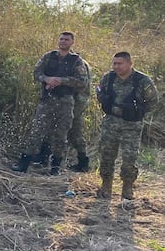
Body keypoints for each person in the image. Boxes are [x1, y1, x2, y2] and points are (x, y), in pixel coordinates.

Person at [11, 31, 88, 175]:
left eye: (66, 40)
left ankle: (55, 168)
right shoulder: (48, 57)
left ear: (72, 43)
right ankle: (23, 163)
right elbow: (36, 73)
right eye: (61, 39)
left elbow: (82, 82)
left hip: (65, 102)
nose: (63, 42)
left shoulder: (76, 61)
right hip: (46, 101)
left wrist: (61, 81)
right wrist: (46, 79)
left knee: (61, 135)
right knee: (36, 132)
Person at [95, 52, 159, 199]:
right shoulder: (108, 77)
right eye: (114, 63)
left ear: (130, 64)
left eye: (120, 63)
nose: (116, 67)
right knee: (106, 155)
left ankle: (127, 187)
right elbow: (99, 91)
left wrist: (137, 112)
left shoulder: (142, 81)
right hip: (110, 122)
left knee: (130, 157)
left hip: (132, 125)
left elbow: (153, 102)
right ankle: (106, 185)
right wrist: (105, 100)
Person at [35, 57, 92, 171]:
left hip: (75, 101)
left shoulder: (79, 63)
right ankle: (44, 156)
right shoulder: (55, 59)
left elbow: (82, 85)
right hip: (58, 100)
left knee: (75, 131)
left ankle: (82, 161)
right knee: (50, 127)